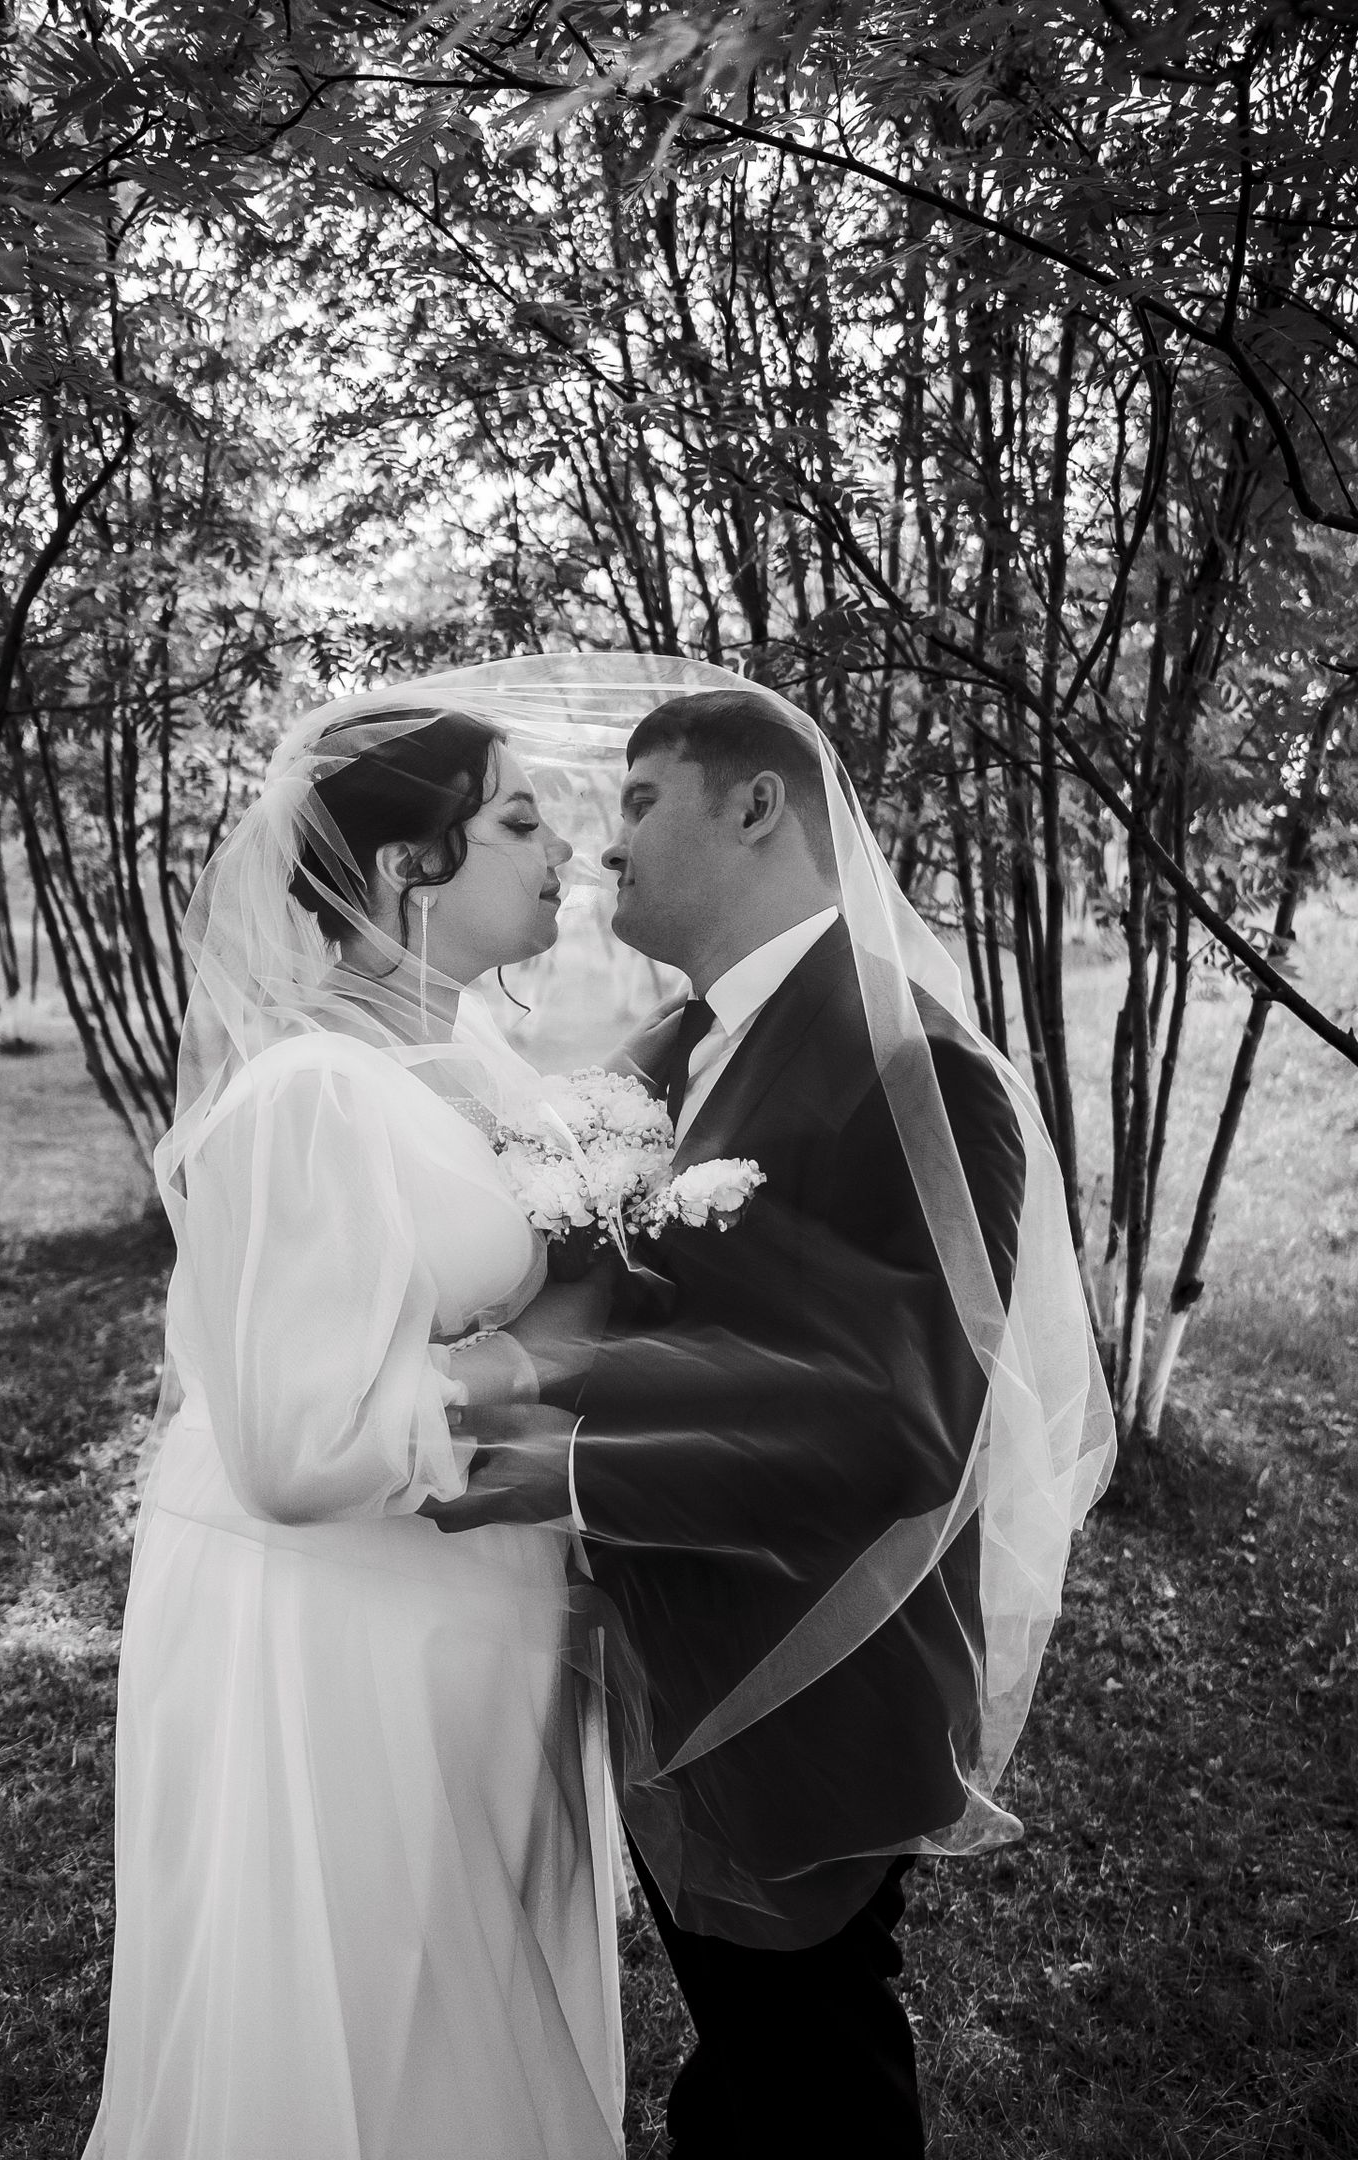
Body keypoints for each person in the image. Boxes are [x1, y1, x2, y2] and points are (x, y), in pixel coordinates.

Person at [428, 672, 1116, 2158]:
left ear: (756, 805)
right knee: (749, 2066)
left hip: (812, 1670)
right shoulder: (676, 1054)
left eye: (642, 801)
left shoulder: (918, 1072)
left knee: (817, 2081)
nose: (608, 846)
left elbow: (902, 1422)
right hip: (675, 1644)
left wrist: (579, 1461)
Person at [82, 702, 627, 2160]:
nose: (564, 852)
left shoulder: (472, 1068)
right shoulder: (309, 1092)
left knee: (470, 1974)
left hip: (474, 1597)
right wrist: (539, 1356)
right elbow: (297, 1444)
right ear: (405, 867)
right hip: (346, 1627)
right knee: (377, 1997)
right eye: (517, 822)